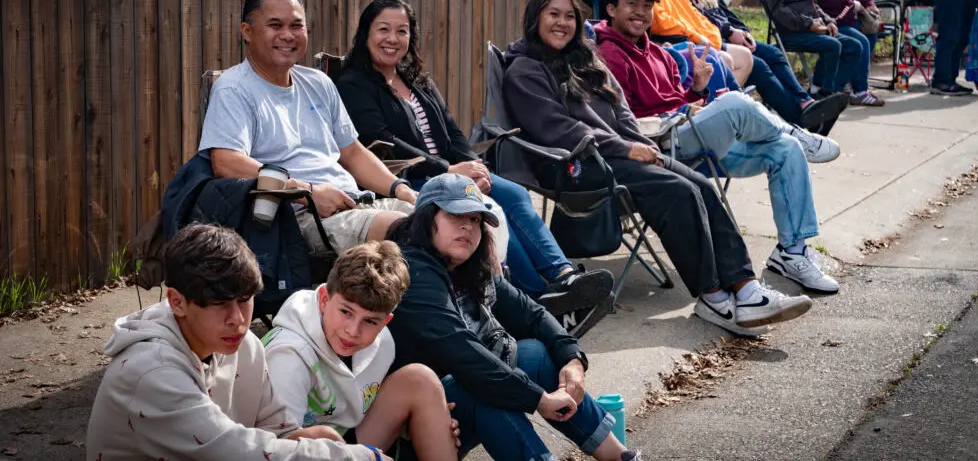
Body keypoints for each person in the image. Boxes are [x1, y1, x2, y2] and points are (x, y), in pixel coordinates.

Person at [503, 0, 816, 336]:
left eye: (569, 16)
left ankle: (746, 289)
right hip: (573, 165)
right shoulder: (524, 70)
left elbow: (622, 114)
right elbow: (558, 128)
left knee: (700, 185)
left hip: (612, 154)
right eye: (553, 14)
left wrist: (641, 146)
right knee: (676, 192)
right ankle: (712, 296)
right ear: (535, 19)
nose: (562, 23)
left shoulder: (584, 59)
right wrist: (625, 148)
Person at [333, 0, 613, 335]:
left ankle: (562, 276)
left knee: (514, 194)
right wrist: (447, 171)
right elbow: (381, 140)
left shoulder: (417, 79)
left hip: (454, 172)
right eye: (383, 30)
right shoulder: (352, 84)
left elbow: (451, 129)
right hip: (409, 178)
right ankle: (536, 298)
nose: (392, 39)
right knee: (492, 210)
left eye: (402, 31)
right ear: (366, 33)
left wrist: (472, 164)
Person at [595, 0, 840, 292]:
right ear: (611, 9)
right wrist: (682, 113)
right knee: (735, 102)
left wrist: (695, 89)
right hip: (659, 150)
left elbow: (675, 101)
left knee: (786, 149)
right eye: (631, 4)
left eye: (647, 5)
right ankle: (794, 128)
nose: (640, 12)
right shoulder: (609, 56)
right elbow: (623, 122)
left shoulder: (654, 51)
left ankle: (792, 252)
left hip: (690, 141)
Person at [386, 173, 643, 461]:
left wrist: (572, 358)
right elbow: (460, 352)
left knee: (533, 352)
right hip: (414, 429)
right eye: (454, 214)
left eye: (475, 219)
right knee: (486, 389)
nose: (467, 226)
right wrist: (538, 399)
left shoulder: (467, 267)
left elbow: (532, 314)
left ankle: (619, 456)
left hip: (457, 398)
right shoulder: (412, 271)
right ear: (424, 219)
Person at [86, 224, 380, 461]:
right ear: (177, 301)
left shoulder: (245, 345)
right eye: (220, 304)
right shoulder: (151, 370)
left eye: (244, 300)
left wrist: (303, 438)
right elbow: (230, 450)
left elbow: (274, 429)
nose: (237, 319)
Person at [199, 0, 419, 259]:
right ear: (247, 32)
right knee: (407, 231)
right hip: (297, 219)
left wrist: (401, 189)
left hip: (355, 203)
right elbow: (227, 162)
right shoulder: (235, 89)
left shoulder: (318, 83)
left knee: (453, 216)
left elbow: (351, 152)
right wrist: (308, 192)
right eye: (275, 25)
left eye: (296, 26)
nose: (287, 35)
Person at [263, 241, 459, 460]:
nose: (353, 331)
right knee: (322, 436)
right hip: (300, 450)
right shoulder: (288, 356)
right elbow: (276, 449)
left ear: (386, 322)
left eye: (370, 321)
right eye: (346, 312)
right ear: (324, 300)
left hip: (346, 439)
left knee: (422, 381)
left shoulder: (382, 342)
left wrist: (430, 421)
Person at [670, 0, 848, 130]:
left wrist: (742, 30)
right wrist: (730, 32)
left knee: (774, 54)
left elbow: (725, 12)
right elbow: (697, 18)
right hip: (710, 41)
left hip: (731, 35)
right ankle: (802, 121)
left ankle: (805, 102)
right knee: (760, 66)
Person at [759, 0, 862, 116]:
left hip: (813, 28)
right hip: (789, 33)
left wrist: (828, 20)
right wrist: (808, 24)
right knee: (832, 45)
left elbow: (813, 4)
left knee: (854, 46)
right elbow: (778, 12)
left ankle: (821, 89)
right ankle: (825, 93)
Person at [800, 0, 886, 107]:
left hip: (846, 20)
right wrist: (853, 3)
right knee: (859, 41)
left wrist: (867, 2)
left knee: (871, 32)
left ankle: (851, 84)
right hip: (830, 22)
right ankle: (859, 90)